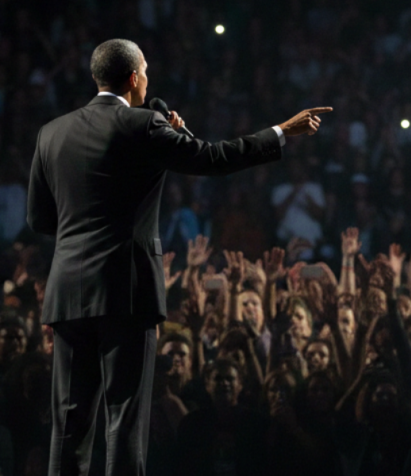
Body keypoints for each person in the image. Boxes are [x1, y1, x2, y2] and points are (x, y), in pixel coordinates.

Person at [26, 38, 330, 476]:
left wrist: (83, 234)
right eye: (145, 70)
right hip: (126, 291)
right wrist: (283, 130)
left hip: (69, 291)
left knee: (69, 426)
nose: (147, 78)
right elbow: (213, 158)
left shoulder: (51, 132)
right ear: (133, 78)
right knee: (124, 420)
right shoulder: (143, 126)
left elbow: (39, 218)